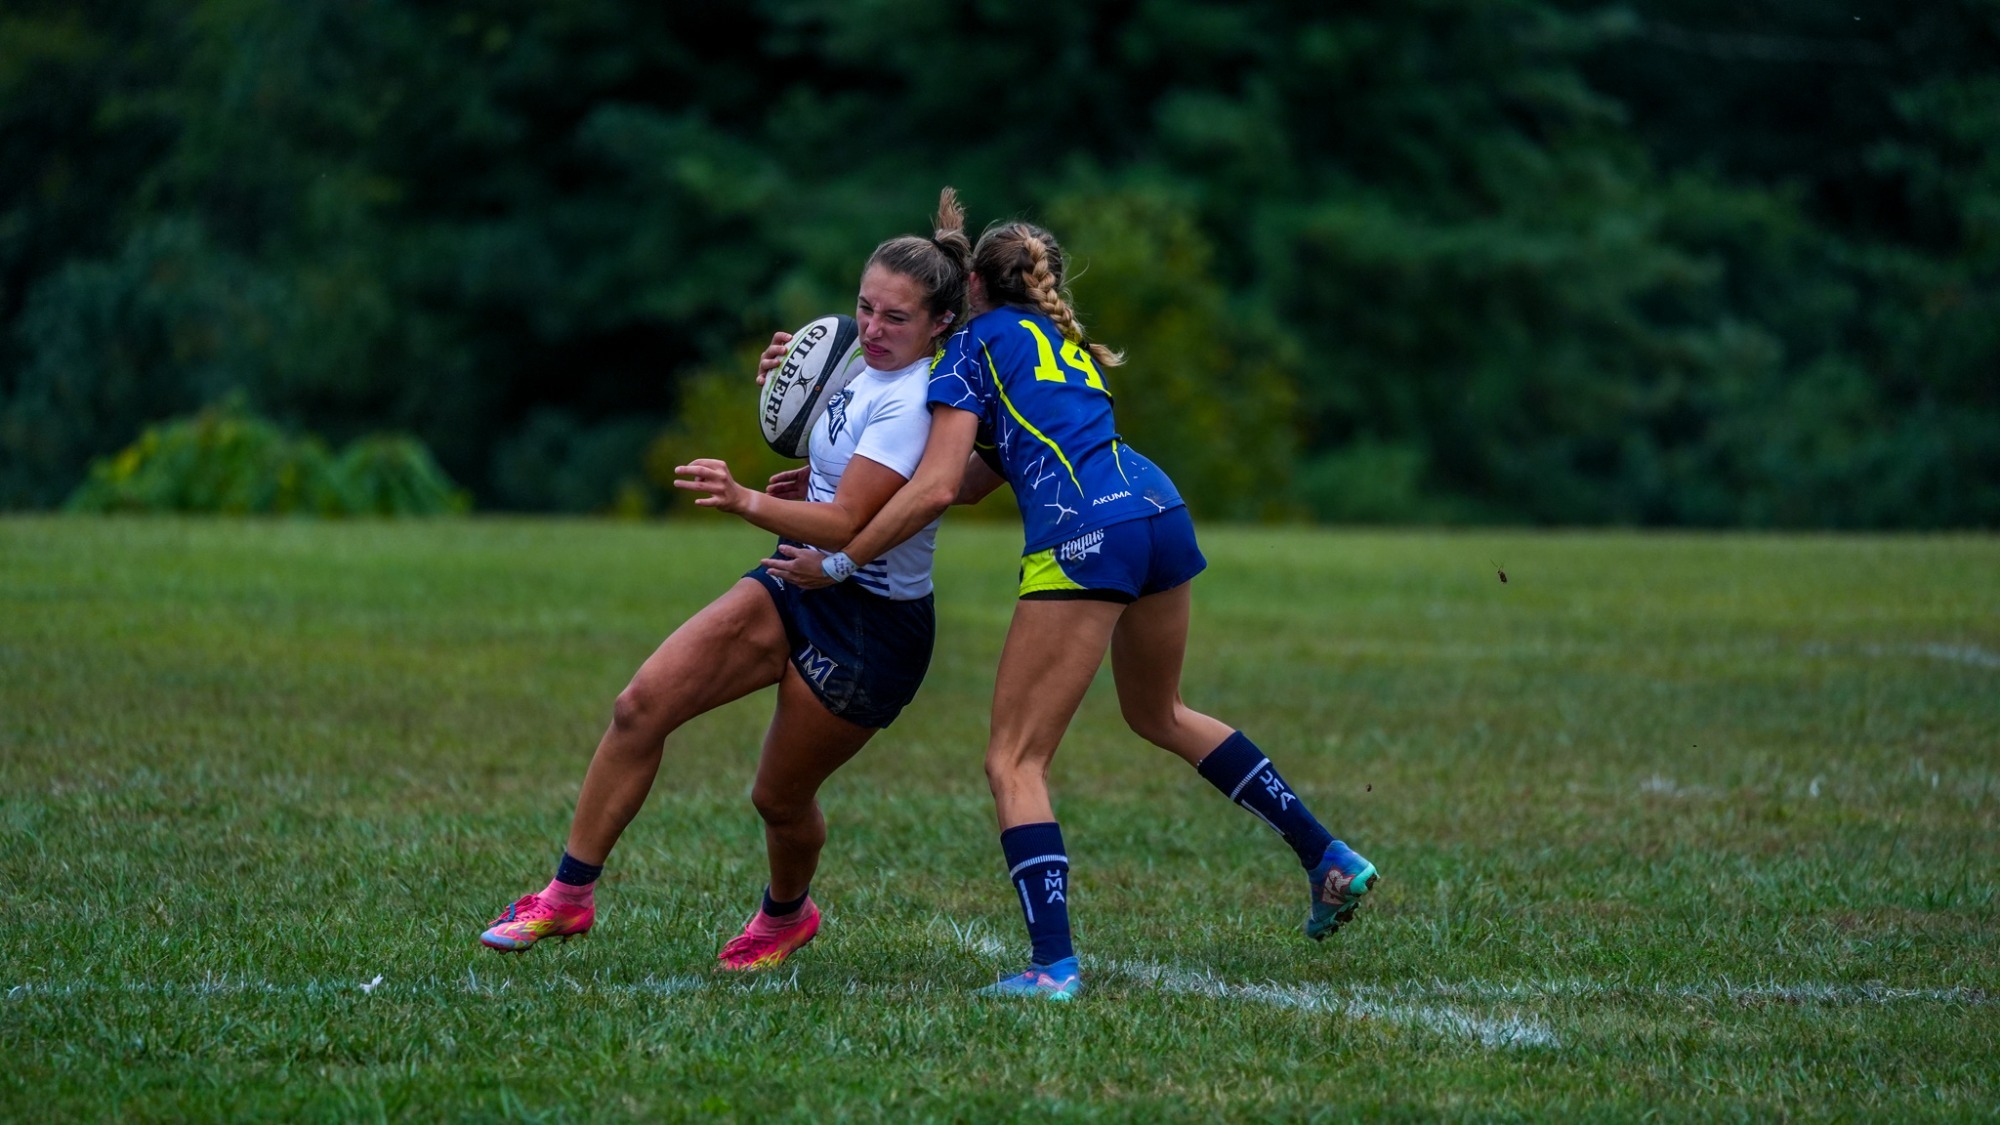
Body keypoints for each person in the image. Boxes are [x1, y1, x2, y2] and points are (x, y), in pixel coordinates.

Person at [762, 209, 1378, 1000]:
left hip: (1087, 531)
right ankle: (1327, 854)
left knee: (1014, 760)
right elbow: (980, 479)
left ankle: (1052, 965)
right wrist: (841, 488)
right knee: (1162, 712)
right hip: (1155, 506)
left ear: (970, 286)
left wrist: (844, 552)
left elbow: (941, 484)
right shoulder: (1056, 341)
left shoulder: (970, 349)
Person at [478, 190, 972, 971]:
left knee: (777, 798)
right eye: (863, 308)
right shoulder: (860, 356)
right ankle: (567, 895)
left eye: (895, 318)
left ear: (940, 323)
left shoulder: (922, 400)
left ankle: (786, 913)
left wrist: (745, 497)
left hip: (872, 626)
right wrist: (793, 380)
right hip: (794, 579)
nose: (872, 329)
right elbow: (829, 446)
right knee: (641, 704)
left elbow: (848, 522)